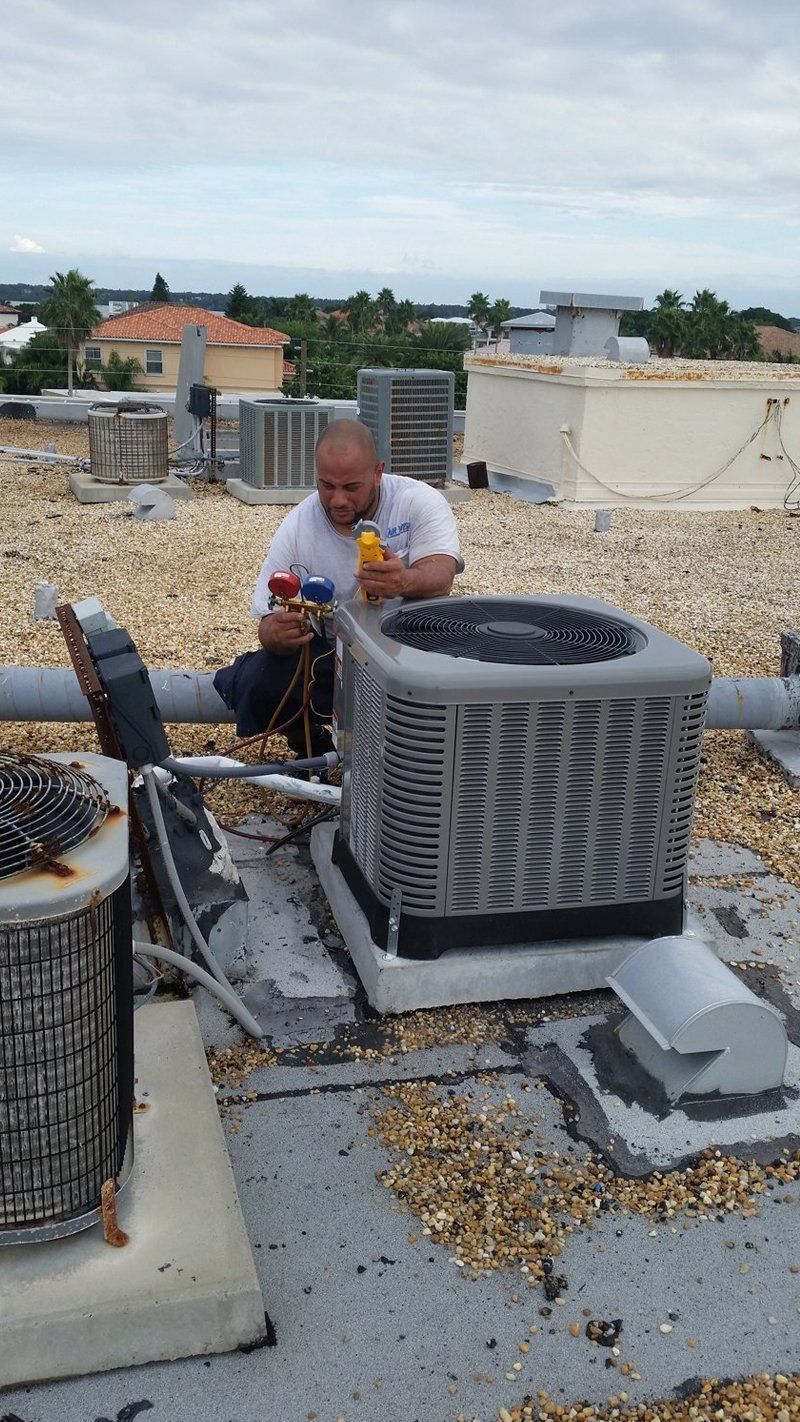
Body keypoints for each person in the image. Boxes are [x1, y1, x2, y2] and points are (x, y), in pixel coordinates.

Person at [213, 419, 463, 750]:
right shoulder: (299, 525)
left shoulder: (418, 502)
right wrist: (278, 634)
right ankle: (312, 750)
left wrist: (403, 580)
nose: (338, 500)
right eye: (327, 486)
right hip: (335, 654)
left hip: (412, 649)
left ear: (377, 472)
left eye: (351, 487)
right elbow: (266, 621)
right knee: (259, 681)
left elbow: (441, 575)